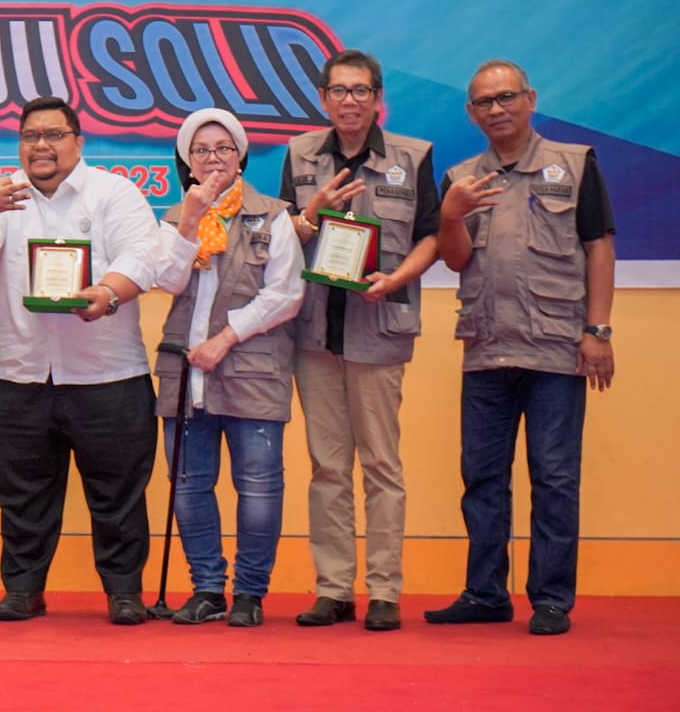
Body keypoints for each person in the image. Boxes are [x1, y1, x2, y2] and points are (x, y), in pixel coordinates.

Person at [424, 59, 615, 637]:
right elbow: (456, 259)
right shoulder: (461, 178)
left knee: (554, 477)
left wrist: (598, 331)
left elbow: (599, 247)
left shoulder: (573, 164)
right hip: (486, 348)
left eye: (506, 97)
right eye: (484, 102)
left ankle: (551, 599)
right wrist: (451, 216)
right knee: (482, 478)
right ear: (471, 113)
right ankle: (485, 593)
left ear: (530, 99)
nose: (496, 109)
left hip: (556, 349)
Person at [0, 97, 162, 625]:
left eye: (53, 134)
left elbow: (142, 256)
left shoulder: (114, 192)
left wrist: (107, 293)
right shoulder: (2, 195)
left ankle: (123, 592)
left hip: (107, 372)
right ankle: (23, 589)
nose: (41, 145)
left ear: (78, 142)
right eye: (30, 136)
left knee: (118, 494)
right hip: (18, 371)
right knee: (22, 495)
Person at [279, 50, 439, 633]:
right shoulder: (300, 154)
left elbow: (431, 237)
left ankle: (386, 590)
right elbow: (284, 238)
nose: (350, 101)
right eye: (339, 91)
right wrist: (310, 213)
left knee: (381, 466)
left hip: (378, 328)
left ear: (377, 99)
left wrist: (397, 279)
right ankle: (333, 589)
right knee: (326, 468)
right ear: (324, 99)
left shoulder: (411, 157)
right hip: (315, 333)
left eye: (361, 90)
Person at [155, 107, 304, 628]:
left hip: (253, 368)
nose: (213, 158)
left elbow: (286, 294)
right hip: (184, 372)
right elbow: (169, 281)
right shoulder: (174, 219)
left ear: (240, 157)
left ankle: (250, 593)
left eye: (223, 148)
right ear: (188, 162)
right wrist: (191, 219)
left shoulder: (273, 216)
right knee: (189, 484)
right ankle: (207, 589)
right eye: (201, 150)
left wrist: (226, 338)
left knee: (258, 485)